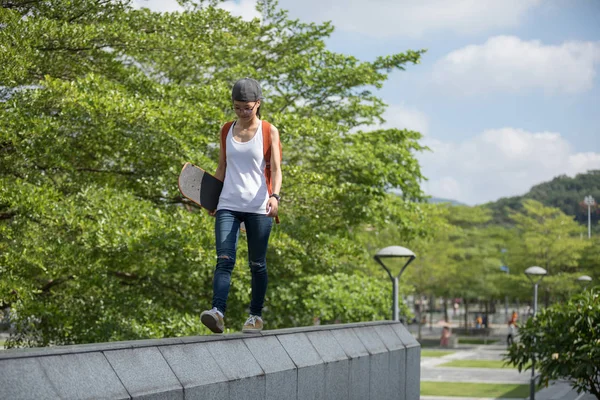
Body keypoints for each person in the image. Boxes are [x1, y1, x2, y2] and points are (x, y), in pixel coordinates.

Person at [200, 78, 282, 334]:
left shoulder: (269, 131)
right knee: (224, 259)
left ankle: (255, 316)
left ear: (258, 104)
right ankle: (217, 312)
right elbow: (222, 167)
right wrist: (212, 198)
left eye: (248, 107)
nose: (243, 112)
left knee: (257, 264)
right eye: (238, 107)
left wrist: (275, 196)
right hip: (229, 203)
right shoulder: (226, 130)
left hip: (259, 206)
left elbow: (277, 170)